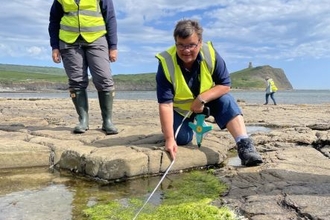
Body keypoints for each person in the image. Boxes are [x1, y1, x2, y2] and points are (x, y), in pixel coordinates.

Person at [155, 19, 263, 166]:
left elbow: (225, 85)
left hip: (207, 103)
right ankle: (188, 128)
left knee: (226, 100)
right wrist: (169, 139)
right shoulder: (166, 63)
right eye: (181, 45)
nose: (186, 50)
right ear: (175, 43)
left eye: (191, 45)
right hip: (182, 111)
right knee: (181, 139)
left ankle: (244, 145)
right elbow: (166, 104)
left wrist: (201, 99)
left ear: (200, 42)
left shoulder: (210, 54)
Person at [48, 0, 118, 135]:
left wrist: (113, 46)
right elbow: (54, 21)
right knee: (76, 80)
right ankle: (83, 120)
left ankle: (107, 121)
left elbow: (110, 17)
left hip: (97, 38)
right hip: (69, 41)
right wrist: (55, 47)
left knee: (104, 78)